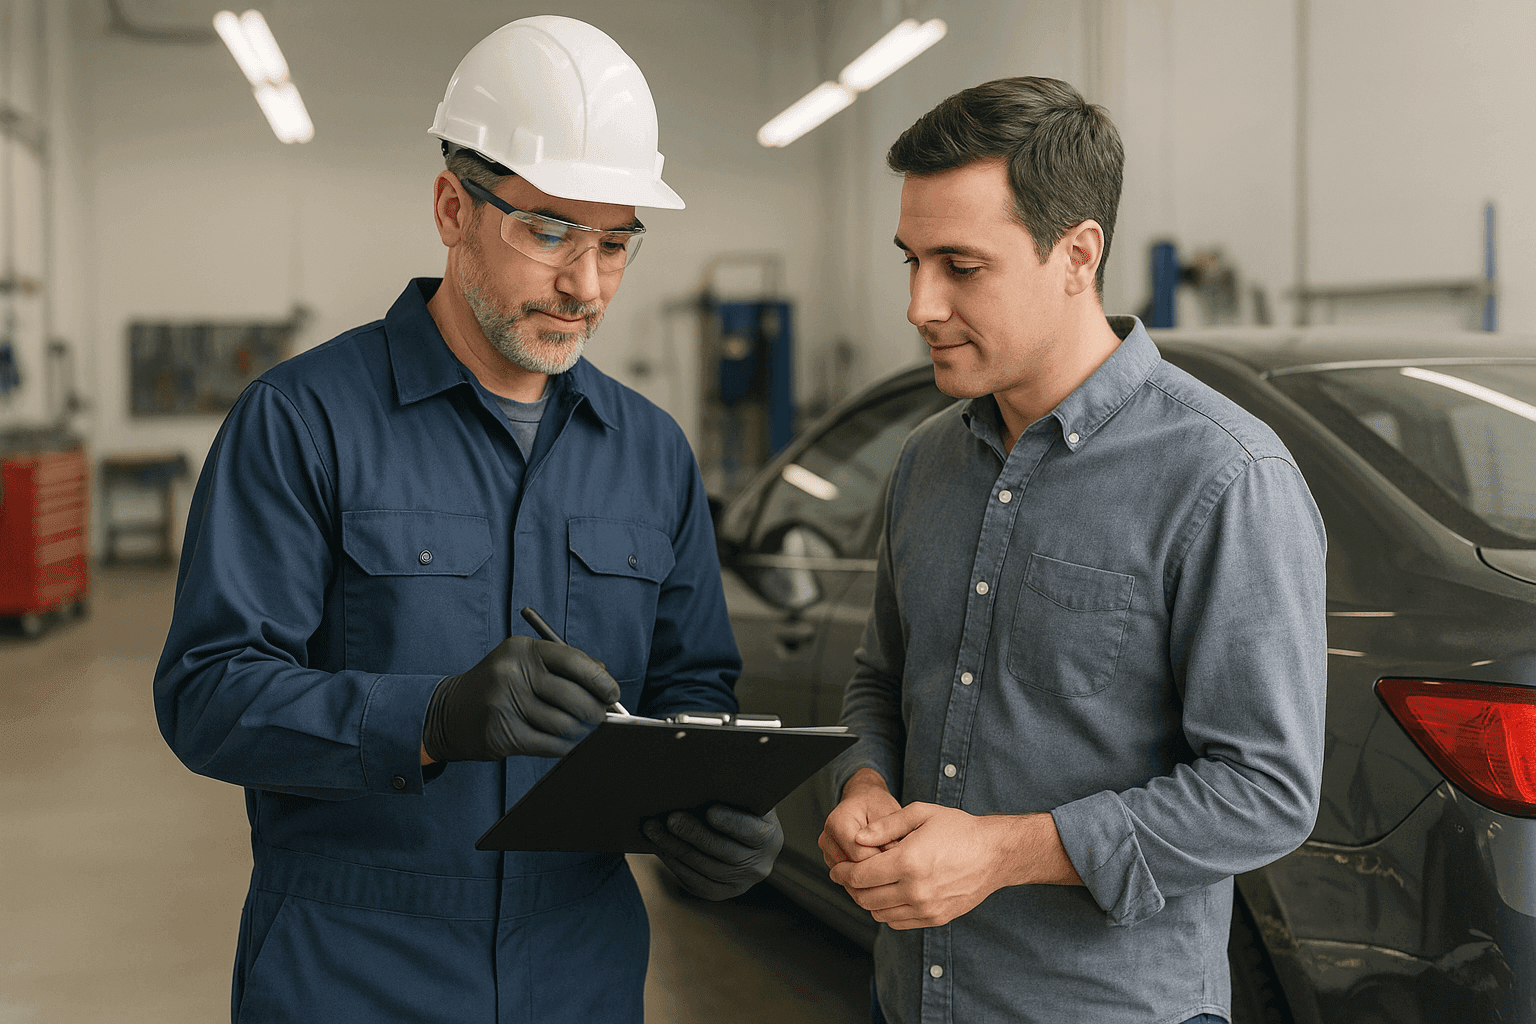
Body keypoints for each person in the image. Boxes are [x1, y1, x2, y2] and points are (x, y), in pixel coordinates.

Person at [154, 16, 781, 1023]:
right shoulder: (302, 421)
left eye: (615, 244)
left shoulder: (652, 452)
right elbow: (208, 695)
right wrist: (430, 720)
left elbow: (691, 688)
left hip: (580, 965)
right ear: (454, 207)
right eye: (549, 232)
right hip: (350, 964)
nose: (586, 284)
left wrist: (713, 816)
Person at [817, 77, 1327, 1024]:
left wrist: (1004, 852)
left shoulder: (1224, 476)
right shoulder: (927, 461)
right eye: (911, 261)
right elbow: (878, 679)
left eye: (960, 265)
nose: (920, 304)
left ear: (1077, 254)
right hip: (914, 998)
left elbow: (1266, 791)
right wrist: (865, 781)